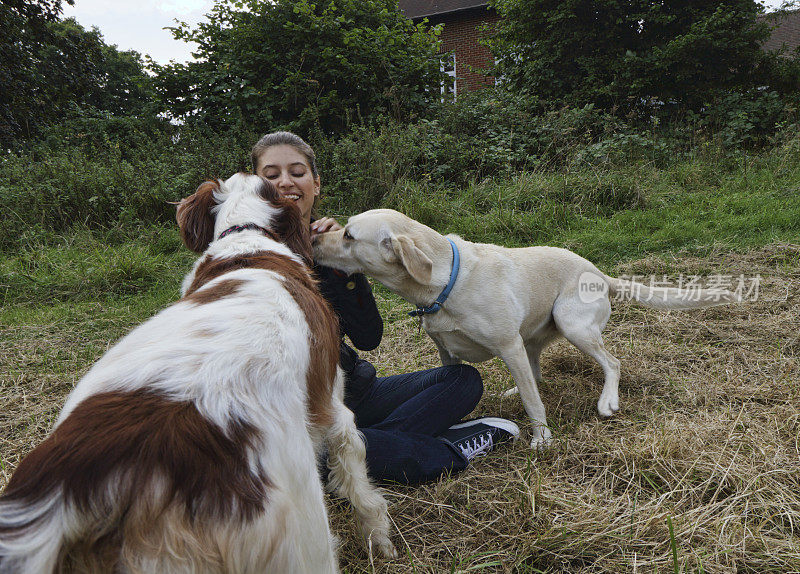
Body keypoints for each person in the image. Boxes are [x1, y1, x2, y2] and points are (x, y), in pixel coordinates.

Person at [251, 131, 520, 485]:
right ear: (256, 187)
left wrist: (343, 262)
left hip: (355, 392)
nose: (285, 182)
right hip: (299, 410)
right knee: (305, 456)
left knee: (461, 380)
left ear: (316, 184)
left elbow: (368, 337)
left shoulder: (337, 246)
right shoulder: (246, 251)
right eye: (271, 176)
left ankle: (373, 442)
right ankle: (443, 449)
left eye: (297, 172)